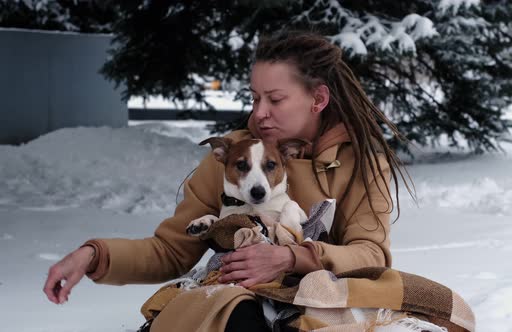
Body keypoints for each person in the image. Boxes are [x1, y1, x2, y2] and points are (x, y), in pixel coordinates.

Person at [43, 31, 414, 331]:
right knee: (235, 315)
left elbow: (371, 255)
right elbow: (172, 250)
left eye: (275, 99)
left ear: (317, 99)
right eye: (255, 98)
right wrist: (94, 255)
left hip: (322, 302)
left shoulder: (361, 163)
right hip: (241, 304)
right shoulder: (235, 156)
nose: (260, 113)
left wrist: (290, 257)